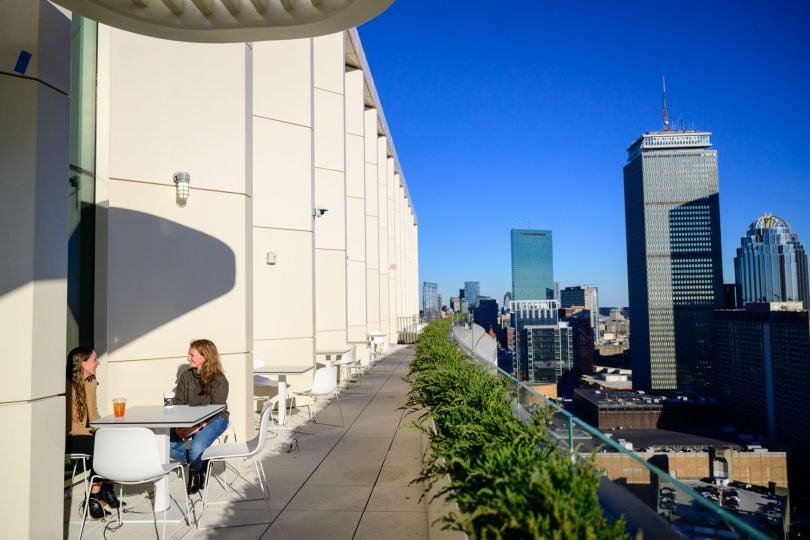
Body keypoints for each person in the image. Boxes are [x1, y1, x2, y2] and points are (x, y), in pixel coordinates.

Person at [65, 346, 123, 519]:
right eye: (94, 359)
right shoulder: (67, 385)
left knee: (114, 440)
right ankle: (93, 497)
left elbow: (94, 413)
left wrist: (104, 427)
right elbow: (67, 425)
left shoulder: (90, 381)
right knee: (101, 448)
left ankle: (106, 490)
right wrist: (94, 430)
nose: (98, 363)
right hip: (69, 436)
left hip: (86, 432)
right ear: (83, 363)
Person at [170, 339, 229, 494]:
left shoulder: (219, 379)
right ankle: (202, 461)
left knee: (196, 447)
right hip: (188, 420)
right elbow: (179, 403)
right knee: (165, 445)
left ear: (205, 356)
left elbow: (217, 409)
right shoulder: (186, 377)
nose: (188, 358)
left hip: (216, 419)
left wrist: (193, 428)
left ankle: (195, 474)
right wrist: (179, 425)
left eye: (192, 355)